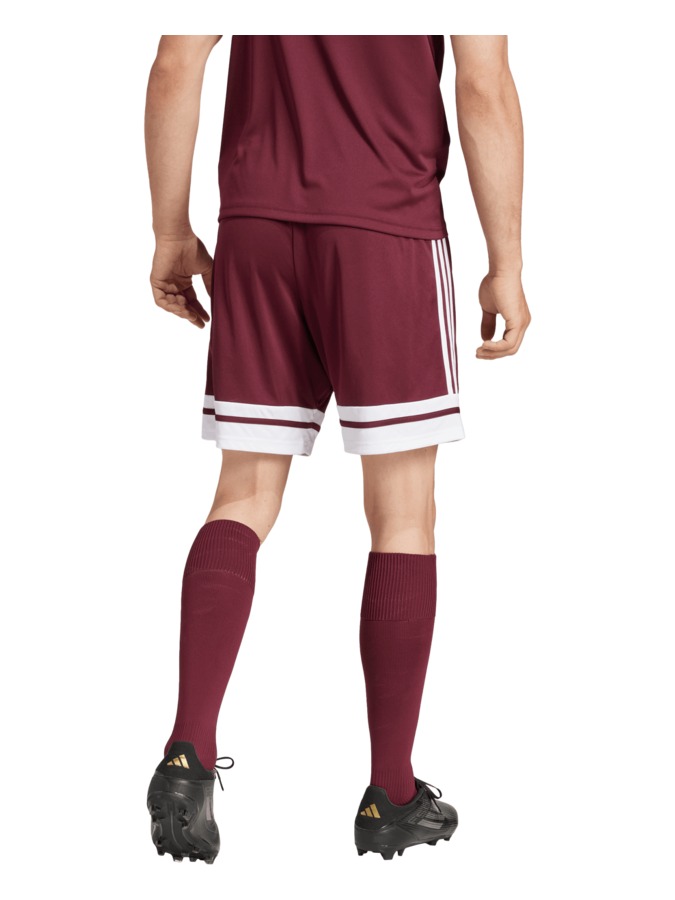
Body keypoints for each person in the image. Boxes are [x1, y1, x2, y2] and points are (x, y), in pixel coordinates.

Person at [144, 34, 530, 864]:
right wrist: (506, 262)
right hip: (386, 228)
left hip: (254, 225)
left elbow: (176, 62)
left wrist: (170, 230)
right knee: (402, 513)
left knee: (242, 495)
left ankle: (186, 750)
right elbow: (483, 85)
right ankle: (389, 794)